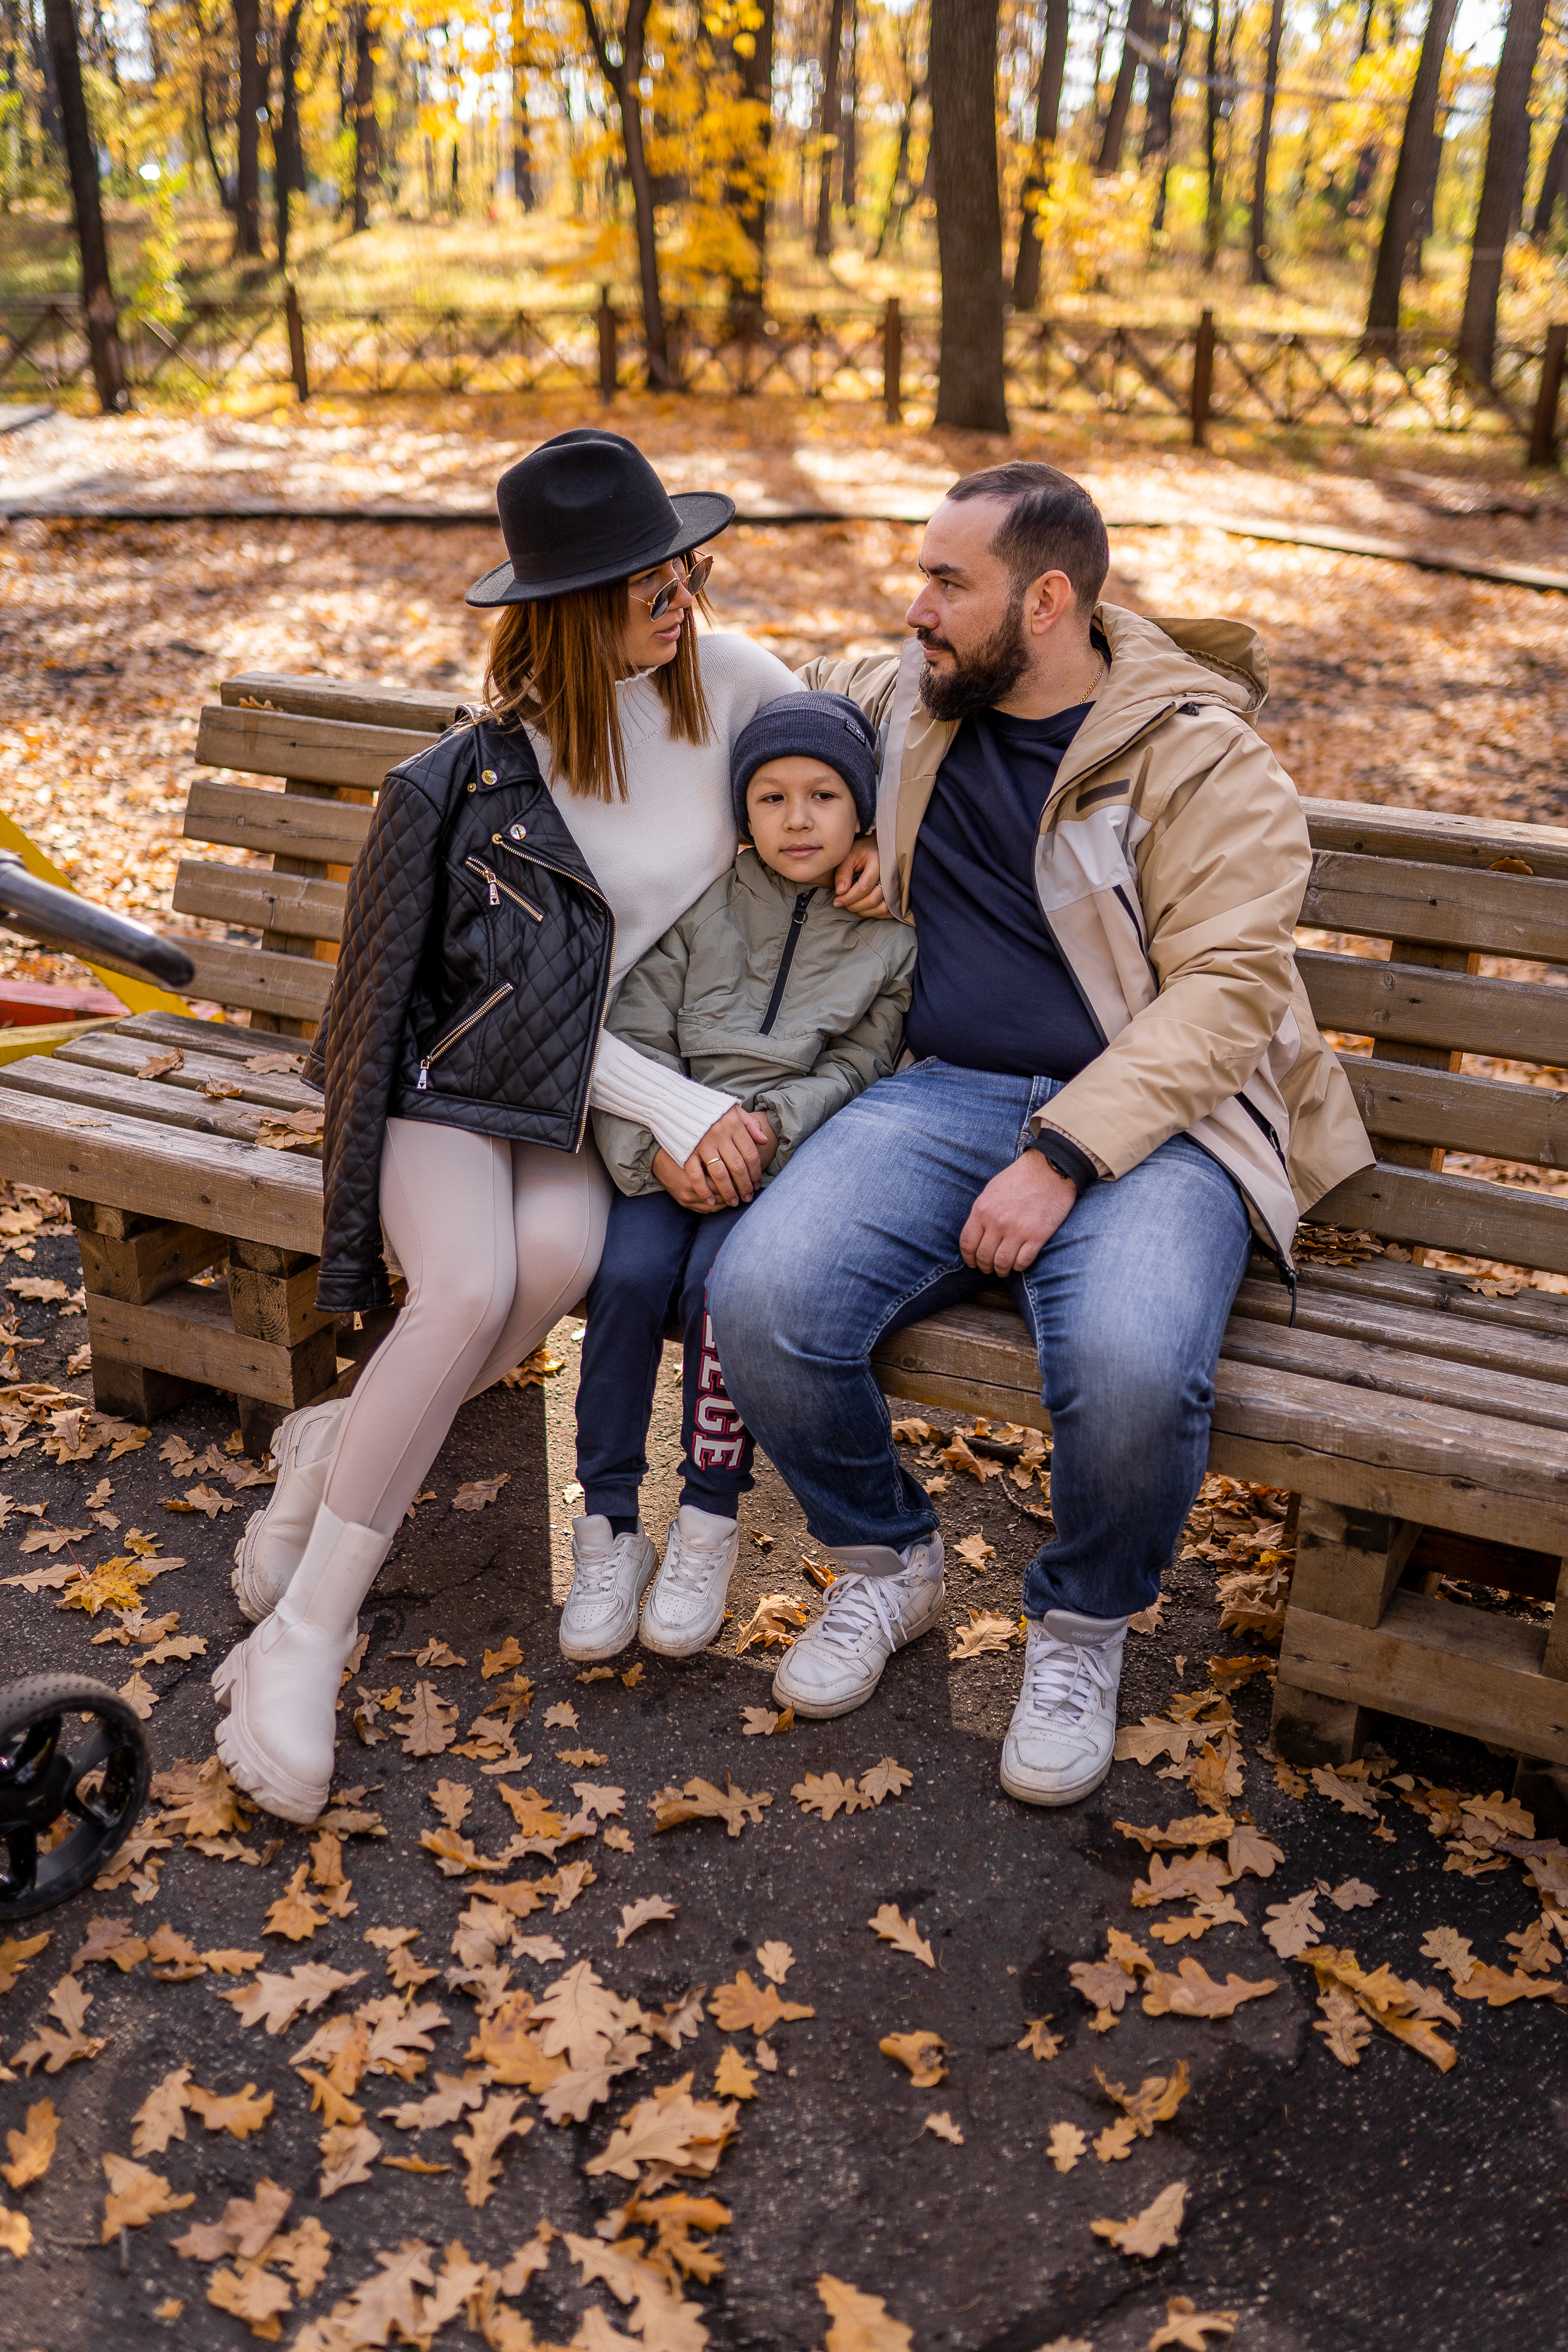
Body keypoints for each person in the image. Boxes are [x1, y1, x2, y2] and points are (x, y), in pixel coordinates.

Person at [212, 429, 885, 1825]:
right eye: (643, 579)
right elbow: (497, 1005)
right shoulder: (494, 774)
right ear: (572, 607)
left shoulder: (742, 683)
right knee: (465, 1287)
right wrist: (678, 1104)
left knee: (556, 1269)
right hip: (450, 1086)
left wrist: (881, 828)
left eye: (681, 562)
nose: (677, 591)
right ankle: (306, 1637)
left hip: (571, 1112)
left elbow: (865, 715)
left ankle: (332, 1447)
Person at [708, 459, 1373, 1803]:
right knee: (759, 1295)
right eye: (920, 576)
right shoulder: (918, 699)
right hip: (943, 1090)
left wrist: (1063, 1154)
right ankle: (890, 1562)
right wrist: (824, 800)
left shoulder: (1202, 760)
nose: (915, 605)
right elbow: (805, 691)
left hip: (1157, 1122)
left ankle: (1080, 1629)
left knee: (1131, 1367)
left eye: (948, 582)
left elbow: (1230, 994)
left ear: (1049, 599)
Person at [564, 692, 919, 1665]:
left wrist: (764, 1132)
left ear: (863, 812)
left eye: (822, 796)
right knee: (628, 1281)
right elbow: (634, 1030)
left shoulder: (891, 934)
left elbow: (863, 1068)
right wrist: (661, 1148)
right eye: (770, 797)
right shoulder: (707, 901)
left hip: (777, 1161)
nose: (796, 819)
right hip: (667, 1148)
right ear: (743, 809)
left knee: (724, 1292)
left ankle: (706, 1519)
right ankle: (609, 1524)